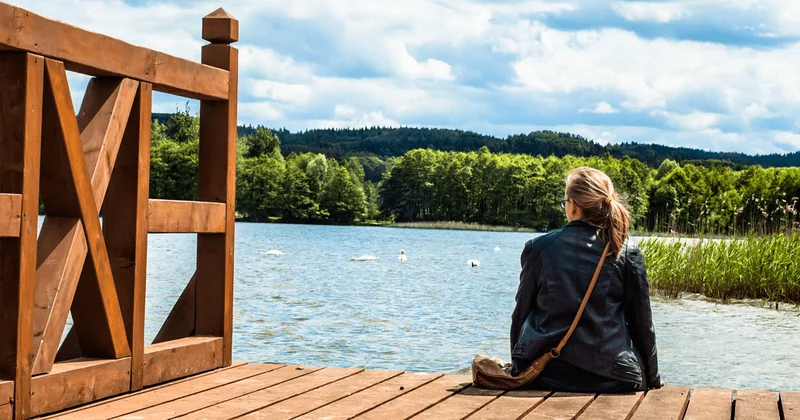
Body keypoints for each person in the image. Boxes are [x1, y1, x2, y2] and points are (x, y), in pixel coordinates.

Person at [509, 167, 662, 392]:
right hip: (613, 378)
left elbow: (521, 314)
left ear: (572, 204)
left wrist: (517, 368)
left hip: (549, 375)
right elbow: (642, 326)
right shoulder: (625, 251)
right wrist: (653, 378)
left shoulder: (539, 249)